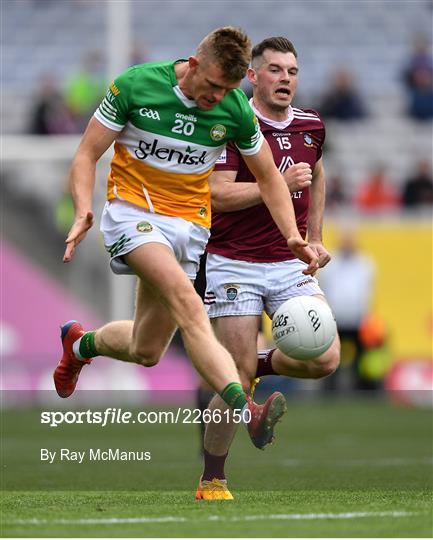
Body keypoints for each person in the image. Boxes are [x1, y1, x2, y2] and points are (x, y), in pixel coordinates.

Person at [53, 27, 319, 476]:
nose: (218, 96)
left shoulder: (234, 107)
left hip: (188, 226)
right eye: (213, 85)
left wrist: (292, 234)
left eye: (228, 89)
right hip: (133, 214)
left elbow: (271, 177)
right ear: (193, 65)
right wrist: (83, 208)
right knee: (189, 304)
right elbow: (86, 155)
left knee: (147, 348)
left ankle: (80, 344)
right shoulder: (136, 85)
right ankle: (246, 408)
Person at [197, 37, 340, 500]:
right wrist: (275, 183)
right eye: (275, 70)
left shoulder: (311, 125)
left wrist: (315, 237)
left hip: (289, 261)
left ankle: (251, 363)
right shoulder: (231, 120)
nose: (285, 79)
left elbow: (316, 175)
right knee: (236, 380)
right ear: (253, 76)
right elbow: (217, 194)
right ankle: (213, 480)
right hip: (233, 260)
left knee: (325, 359)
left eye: (292, 71)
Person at [319, 230, 376, 391]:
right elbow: (325, 286)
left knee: (360, 355)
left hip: (357, 317)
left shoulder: (364, 262)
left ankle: (361, 386)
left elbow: (367, 289)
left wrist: (365, 311)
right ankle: (330, 386)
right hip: (335, 316)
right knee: (332, 352)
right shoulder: (331, 261)